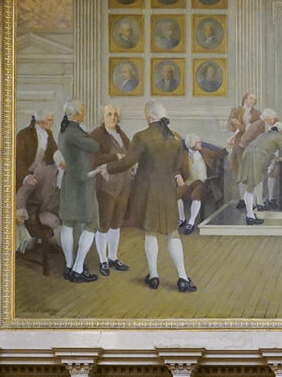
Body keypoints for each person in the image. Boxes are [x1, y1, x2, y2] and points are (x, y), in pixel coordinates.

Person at [106, 100, 197, 292]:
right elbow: (180, 169)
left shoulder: (141, 137)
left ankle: (154, 276)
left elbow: (127, 162)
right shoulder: (175, 138)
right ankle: (182, 278)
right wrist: (177, 175)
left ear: (149, 117)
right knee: (173, 233)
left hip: (146, 191)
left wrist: (107, 167)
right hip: (167, 192)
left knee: (150, 232)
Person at [55, 102, 106, 283]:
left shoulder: (63, 130)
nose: (85, 112)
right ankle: (77, 269)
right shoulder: (75, 131)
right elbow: (94, 146)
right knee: (92, 223)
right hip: (82, 183)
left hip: (70, 180)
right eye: (82, 110)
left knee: (68, 223)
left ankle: (69, 266)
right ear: (76, 114)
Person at [236, 109, 282, 224]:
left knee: (252, 186)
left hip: (248, 157)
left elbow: (264, 149)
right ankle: (250, 216)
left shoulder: (266, 135)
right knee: (251, 187)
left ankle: (251, 214)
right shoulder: (278, 137)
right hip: (255, 160)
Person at [90, 104, 132, 276]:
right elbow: (93, 159)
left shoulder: (121, 134)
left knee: (116, 223)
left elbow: (130, 154)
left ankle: (113, 257)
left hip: (123, 185)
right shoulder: (96, 136)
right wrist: (115, 157)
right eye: (109, 114)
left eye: (115, 114)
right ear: (102, 118)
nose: (113, 118)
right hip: (106, 186)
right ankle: (103, 260)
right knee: (104, 224)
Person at [176, 134, 211, 234]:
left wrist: (228, 148)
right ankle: (182, 219)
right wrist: (178, 176)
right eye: (198, 142)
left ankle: (191, 222)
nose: (200, 143)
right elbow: (175, 168)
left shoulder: (203, 151)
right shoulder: (183, 155)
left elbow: (218, 154)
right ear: (191, 144)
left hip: (201, 182)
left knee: (196, 193)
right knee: (177, 192)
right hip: (188, 182)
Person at [225, 92, 261, 175]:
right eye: (251, 98)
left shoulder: (257, 113)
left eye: (254, 99)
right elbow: (231, 127)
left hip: (251, 142)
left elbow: (256, 129)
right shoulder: (236, 111)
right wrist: (244, 127)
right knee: (238, 165)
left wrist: (240, 126)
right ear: (245, 99)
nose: (253, 101)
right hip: (238, 141)